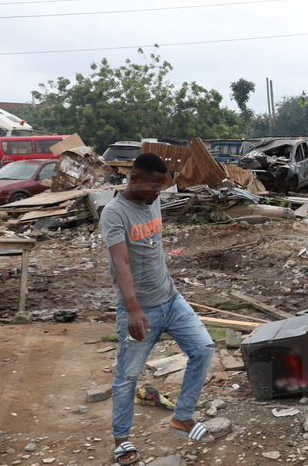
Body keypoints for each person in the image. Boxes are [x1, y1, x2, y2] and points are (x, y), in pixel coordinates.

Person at [99, 153, 215, 465]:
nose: (158, 193)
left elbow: (152, 249)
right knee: (128, 376)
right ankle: (121, 439)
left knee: (203, 348)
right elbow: (120, 262)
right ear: (134, 179)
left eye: (161, 187)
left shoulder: (154, 200)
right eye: (154, 186)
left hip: (172, 299)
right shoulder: (113, 213)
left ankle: (182, 418)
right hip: (139, 311)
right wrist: (133, 308)